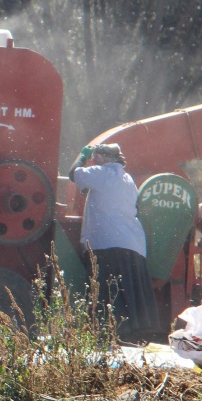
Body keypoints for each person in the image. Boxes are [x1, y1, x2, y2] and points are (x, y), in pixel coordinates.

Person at [70, 143, 157, 336]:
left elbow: (73, 174)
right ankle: (132, 337)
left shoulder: (101, 172)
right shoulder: (127, 178)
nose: (93, 160)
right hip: (133, 244)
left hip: (108, 244)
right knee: (130, 300)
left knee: (109, 297)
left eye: (94, 157)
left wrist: (82, 156)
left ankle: (109, 335)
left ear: (100, 158)